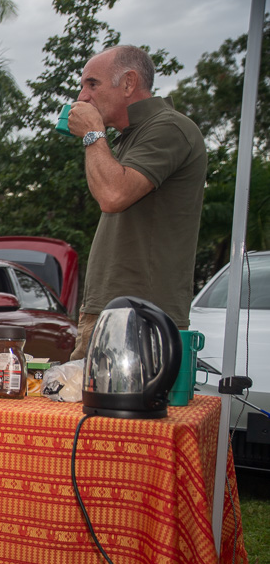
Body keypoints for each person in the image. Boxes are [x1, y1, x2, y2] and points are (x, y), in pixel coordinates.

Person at [66, 45, 207, 360]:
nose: (82, 96)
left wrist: (92, 134)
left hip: (140, 316)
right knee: (90, 409)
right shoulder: (130, 136)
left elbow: (113, 195)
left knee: (122, 409)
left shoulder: (169, 127)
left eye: (92, 84)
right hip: (113, 311)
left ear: (128, 83)